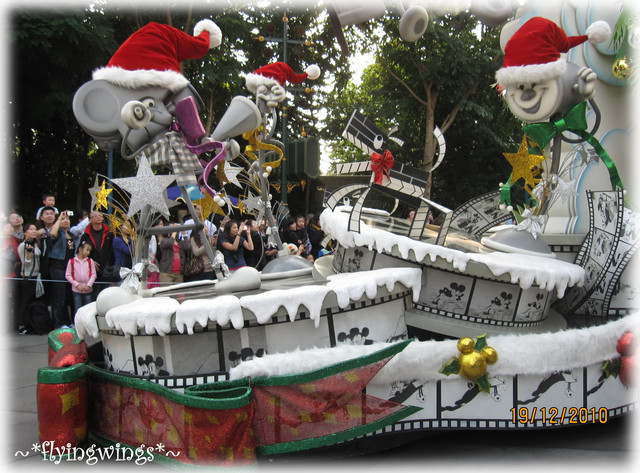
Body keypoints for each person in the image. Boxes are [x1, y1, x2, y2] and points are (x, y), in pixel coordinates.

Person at [47, 211, 76, 328]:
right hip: (58, 266)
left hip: (69, 267)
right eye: (63, 219)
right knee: (59, 296)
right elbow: (52, 234)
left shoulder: (71, 235)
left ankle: (67, 321)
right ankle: (58, 323)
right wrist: (59, 218)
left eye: (67, 219)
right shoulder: (58, 233)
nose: (66, 221)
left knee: (68, 296)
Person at [16, 223, 45, 334]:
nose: (34, 231)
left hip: (37, 276)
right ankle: (21, 325)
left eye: (35, 229)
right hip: (28, 276)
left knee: (34, 301)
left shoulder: (35, 243)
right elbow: (26, 263)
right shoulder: (23, 245)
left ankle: (32, 324)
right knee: (25, 301)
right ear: (25, 232)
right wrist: (28, 253)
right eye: (31, 229)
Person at [79, 211, 114, 296]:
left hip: (107, 268)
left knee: (106, 294)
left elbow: (113, 252)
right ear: (90, 220)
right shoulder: (85, 236)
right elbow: (80, 252)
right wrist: (90, 261)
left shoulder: (110, 234)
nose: (98, 217)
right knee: (92, 294)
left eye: (100, 215)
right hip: (91, 270)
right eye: (95, 216)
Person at [65, 241, 97, 316]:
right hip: (76, 290)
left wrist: (89, 284)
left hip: (88, 289)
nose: (88, 252)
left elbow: (93, 274)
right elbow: (68, 275)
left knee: (88, 309)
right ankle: (78, 322)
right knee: (78, 308)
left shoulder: (90, 261)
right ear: (80, 249)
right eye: (87, 250)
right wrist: (77, 284)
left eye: (89, 251)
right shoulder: (71, 261)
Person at [1, 222, 21, 330]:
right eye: (7, 227)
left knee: (12, 300)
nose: (10, 229)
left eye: (11, 227)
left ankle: (13, 324)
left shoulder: (17, 240)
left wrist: (17, 263)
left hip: (13, 274)